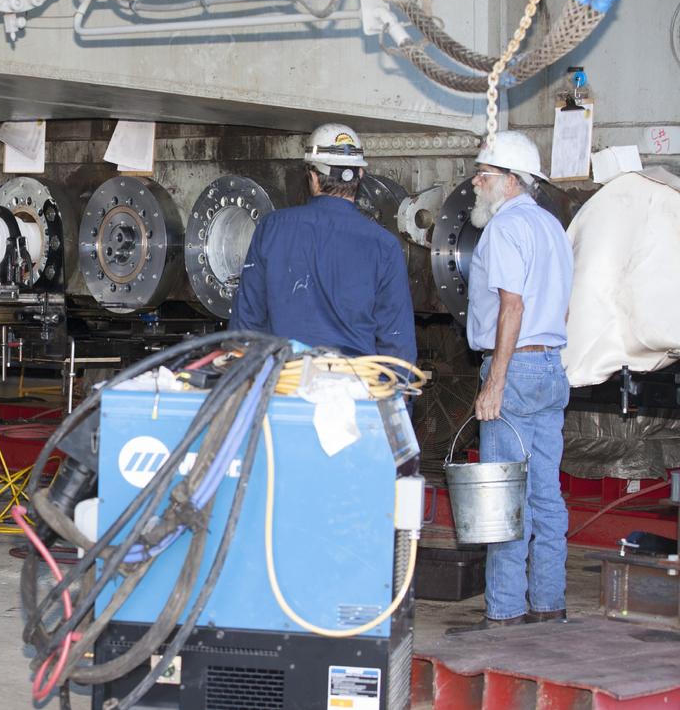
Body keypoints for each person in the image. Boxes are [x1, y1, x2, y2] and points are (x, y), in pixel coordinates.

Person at [448, 130, 573, 633]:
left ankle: (504, 610)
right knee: (545, 492)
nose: (476, 183)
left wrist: (495, 381)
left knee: (504, 494)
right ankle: (549, 603)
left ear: (512, 181)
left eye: (485, 174)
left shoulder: (504, 229)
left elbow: (512, 306)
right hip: (550, 367)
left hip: (515, 367)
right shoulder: (552, 227)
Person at [229, 123, 415, 366]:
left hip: (285, 384)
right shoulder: (385, 246)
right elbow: (397, 345)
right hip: (352, 391)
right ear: (359, 175)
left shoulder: (272, 229)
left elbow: (246, 324)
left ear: (313, 176)